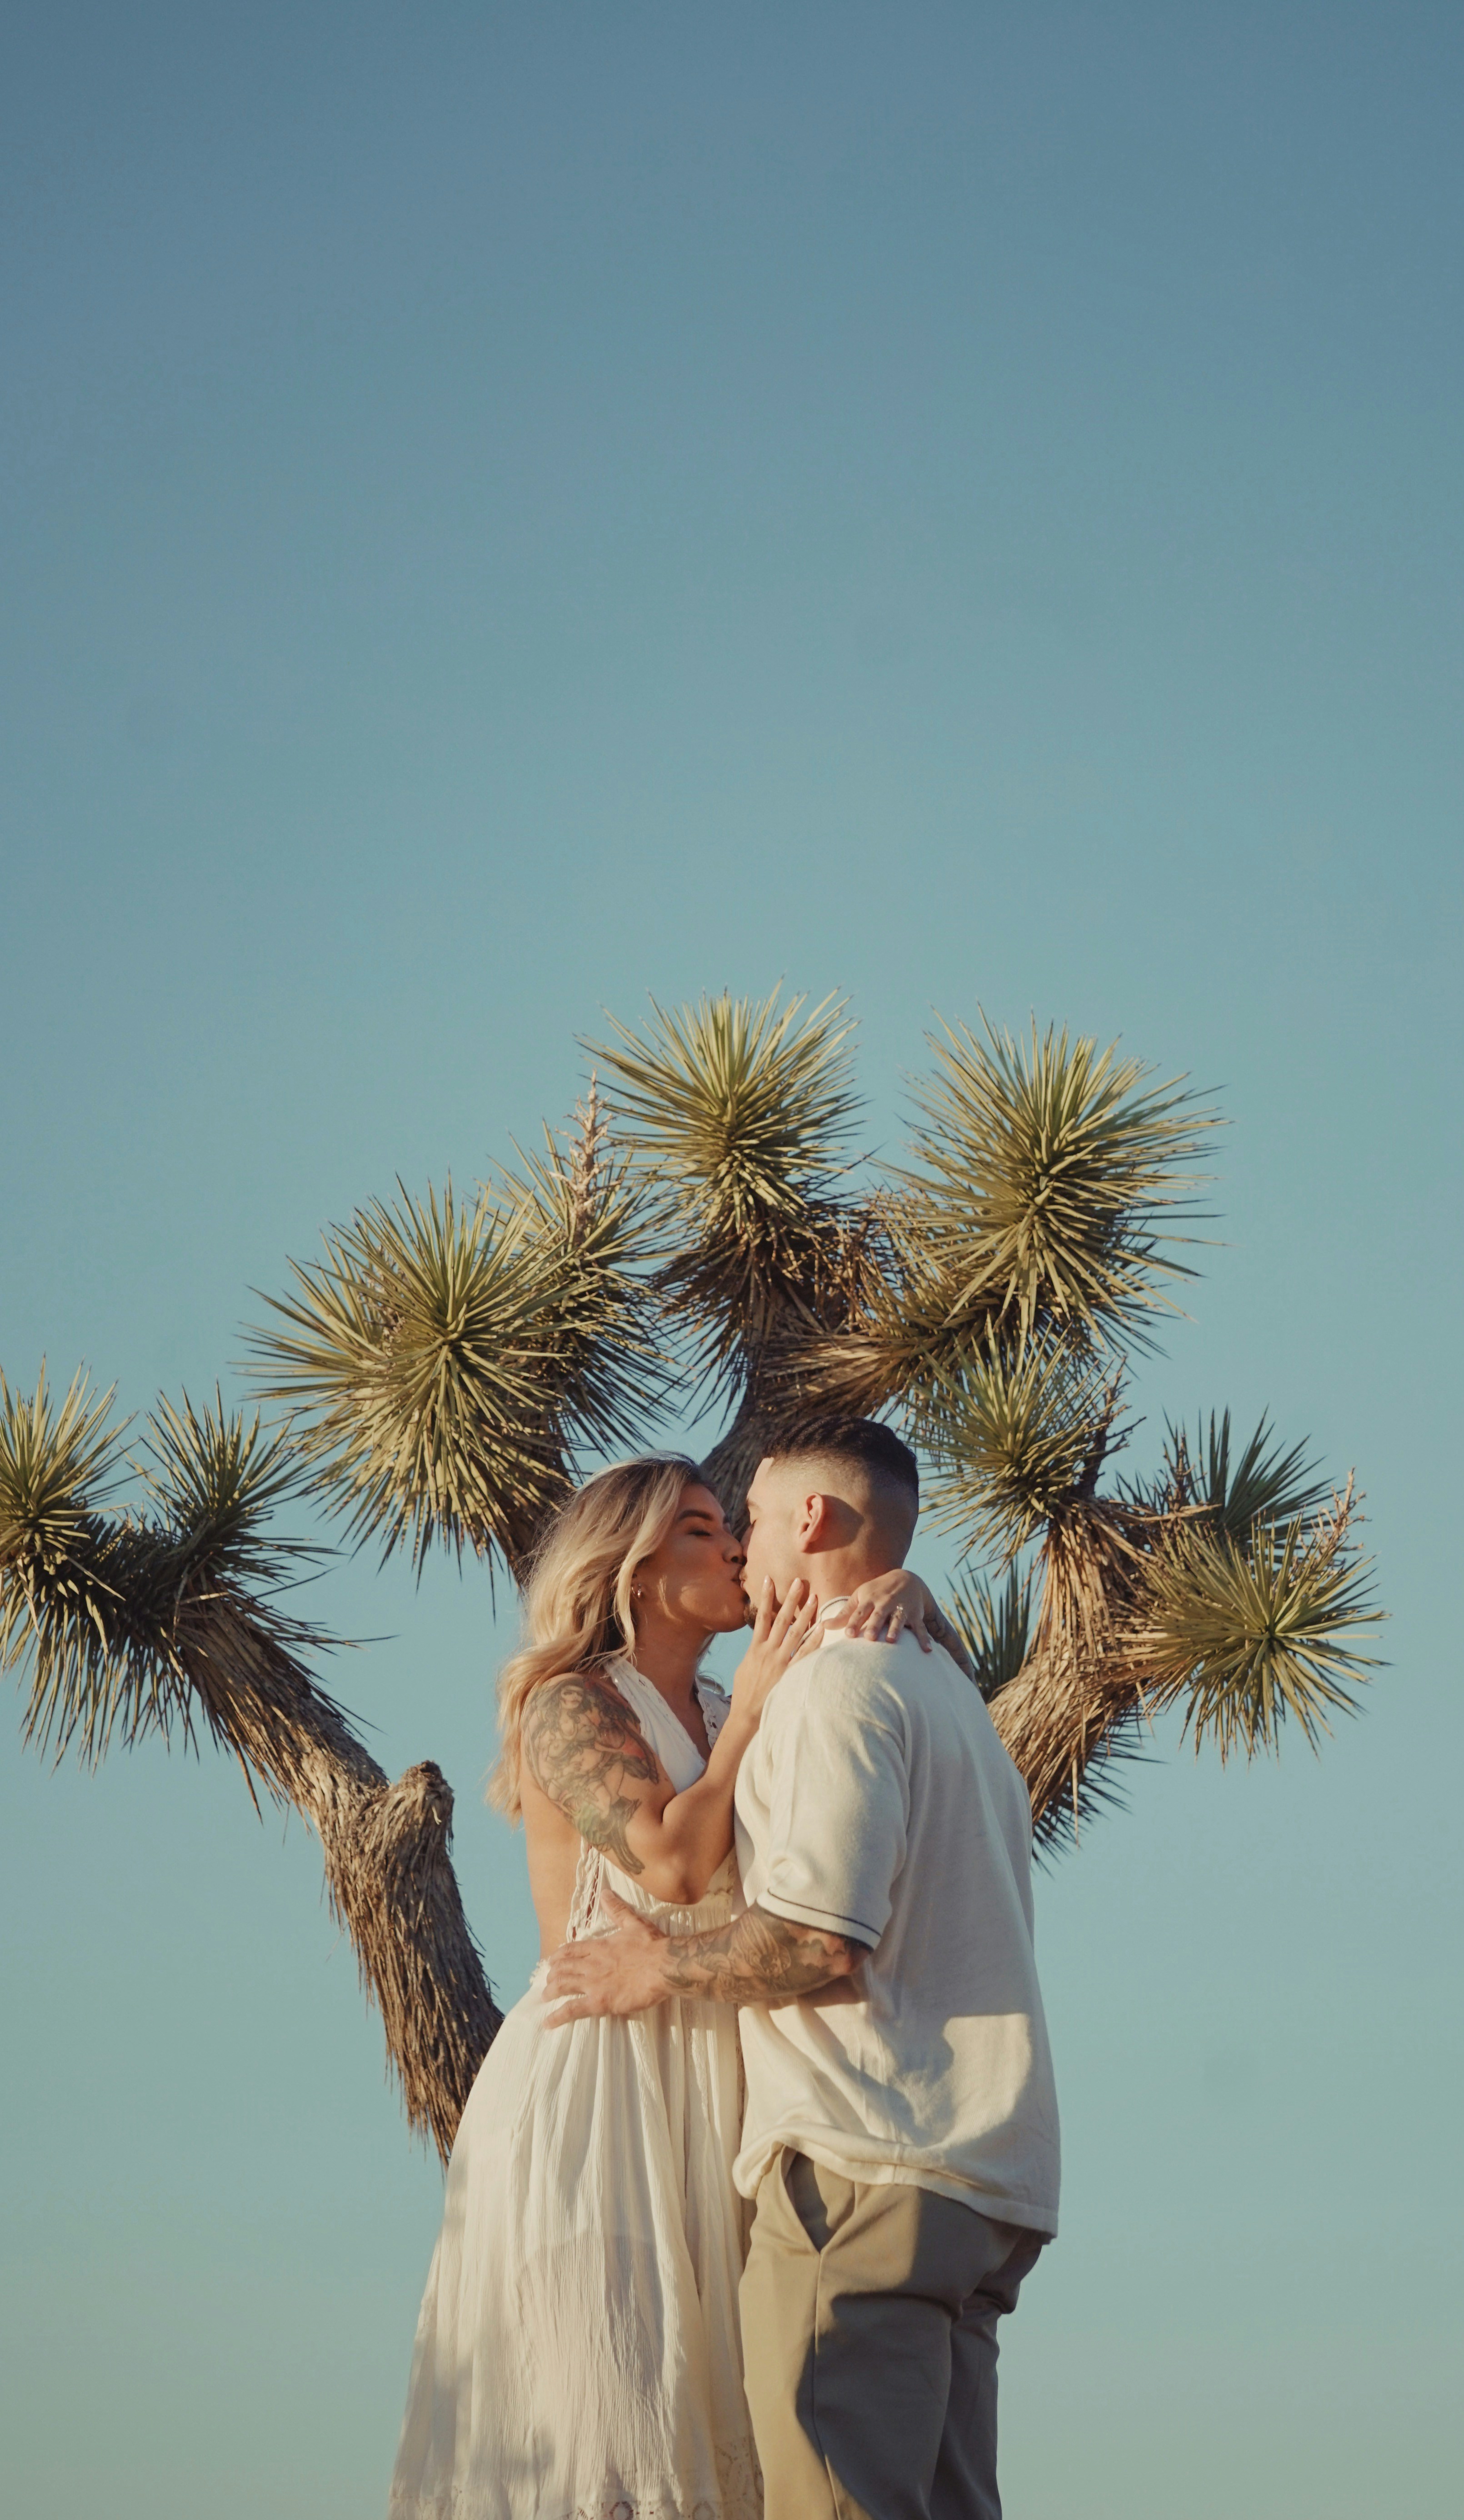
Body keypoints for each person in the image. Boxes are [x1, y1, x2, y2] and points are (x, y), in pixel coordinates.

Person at [387, 1449, 955, 2520]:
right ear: (635, 1568)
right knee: (612, 2407)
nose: (737, 1543)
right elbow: (674, 1864)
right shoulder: (571, 1702)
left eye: (729, 1522)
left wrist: (905, 1584)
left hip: (718, 2074)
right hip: (599, 2080)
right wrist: (744, 1718)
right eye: (702, 1528)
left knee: (730, 2413)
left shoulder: (729, 1691)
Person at [547, 1419, 1060, 2520]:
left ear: (814, 1522)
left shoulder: (832, 1690)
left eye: (754, 1520)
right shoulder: (955, 1696)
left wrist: (658, 1969)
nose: (743, 1546)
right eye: (714, 1529)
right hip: (983, 2179)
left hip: (865, 2159)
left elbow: (822, 1939)